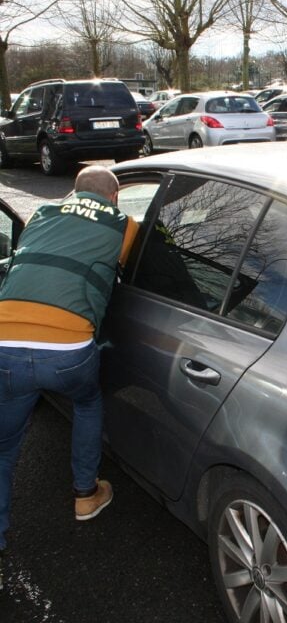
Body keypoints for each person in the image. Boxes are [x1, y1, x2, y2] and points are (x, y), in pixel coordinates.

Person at [0, 166, 139, 589]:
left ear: (71, 192)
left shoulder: (42, 212)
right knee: (86, 402)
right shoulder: (124, 223)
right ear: (113, 198)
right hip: (68, 350)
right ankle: (85, 494)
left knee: (4, 448)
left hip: (4, 342)